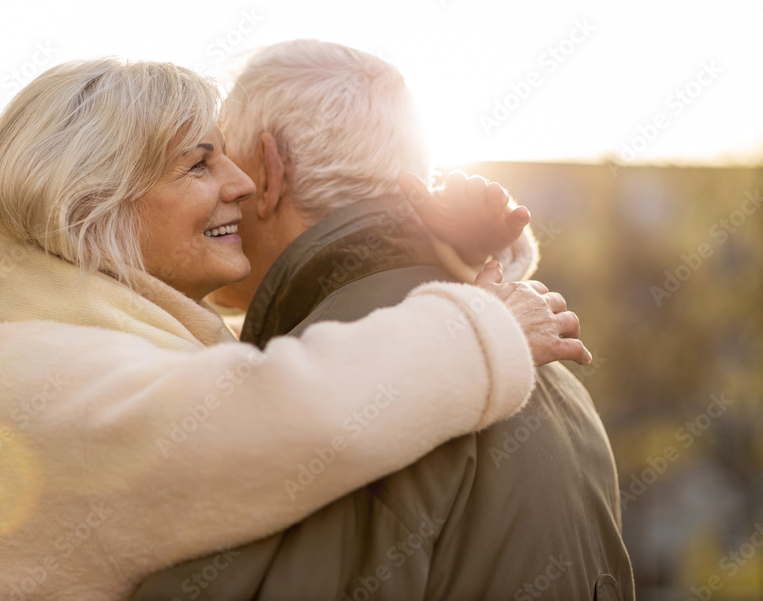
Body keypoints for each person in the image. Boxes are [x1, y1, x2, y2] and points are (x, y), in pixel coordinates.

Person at [0, 57, 589, 600]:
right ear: (93, 207)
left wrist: (463, 258)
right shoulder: (36, 379)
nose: (242, 182)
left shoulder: (94, 351)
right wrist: (482, 328)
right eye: (199, 164)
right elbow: (295, 408)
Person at [135, 40, 634, 600]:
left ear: (271, 174)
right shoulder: (546, 372)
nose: (223, 186)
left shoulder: (335, 393)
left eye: (223, 156)